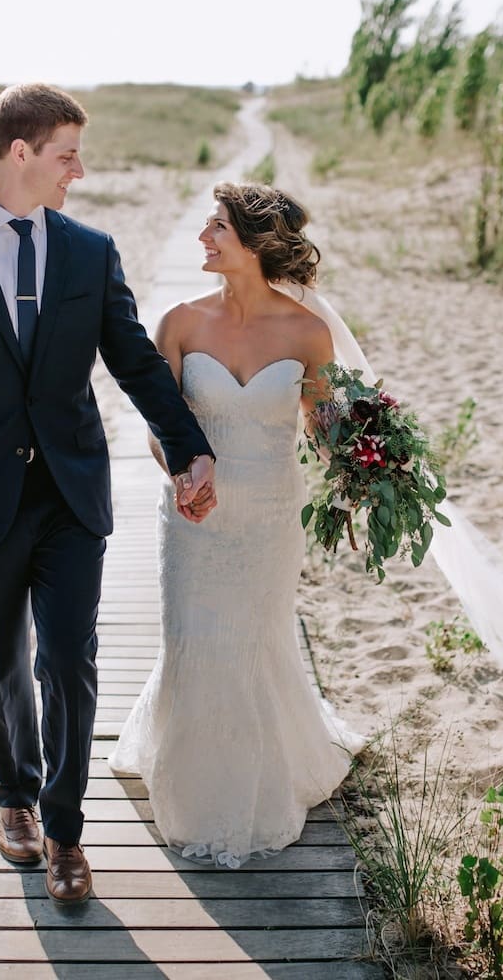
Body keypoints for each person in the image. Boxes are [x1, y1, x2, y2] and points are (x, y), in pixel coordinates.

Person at [0, 83, 219, 904]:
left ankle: (66, 831)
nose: (80, 170)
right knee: (0, 660)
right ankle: (16, 797)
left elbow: (134, 361)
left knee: (68, 659)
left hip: (71, 490)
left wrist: (189, 449)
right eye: (68, 153)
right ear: (20, 153)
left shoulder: (88, 251)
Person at [109, 183, 366, 868]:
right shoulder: (180, 325)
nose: (203, 238)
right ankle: (196, 796)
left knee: (254, 642)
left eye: (216, 227)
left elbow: (326, 431)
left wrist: (368, 455)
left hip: (270, 518)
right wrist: (182, 471)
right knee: (195, 640)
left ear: (253, 242)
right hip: (196, 515)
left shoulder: (309, 334)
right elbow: (161, 430)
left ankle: (263, 781)